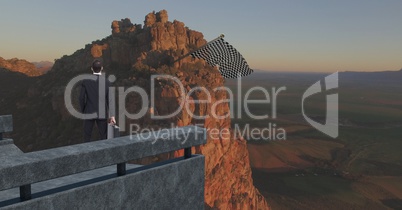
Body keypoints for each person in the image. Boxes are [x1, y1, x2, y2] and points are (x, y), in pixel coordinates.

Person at [79, 59, 116, 141]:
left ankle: (86, 153)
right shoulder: (107, 82)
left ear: (91, 68)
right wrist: (112, 116)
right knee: (103, 136)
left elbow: (81, 98)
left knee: (87, 136)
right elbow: (110, 100)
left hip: (89, 112)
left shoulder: (86, 81)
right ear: (102, 68)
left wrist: (83, 110)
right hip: (102, 113)